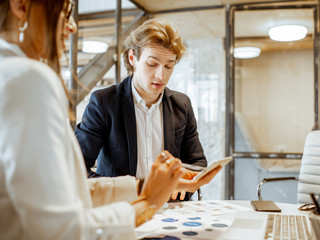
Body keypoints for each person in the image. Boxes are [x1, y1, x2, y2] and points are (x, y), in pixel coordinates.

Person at [0, 0, 187, 239]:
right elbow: (61, 230)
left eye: (169, 66)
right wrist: (147, 203)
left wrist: (142, 187)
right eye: (66, 13)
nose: (73, 27)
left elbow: (60, 190)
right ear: (22, 6)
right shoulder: (28, 78)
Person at [75, 18, 211, 200]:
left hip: (171, 211)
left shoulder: (182, 104)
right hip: (123, 209)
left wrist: (183, 181)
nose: (161, 75)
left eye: (169, 66)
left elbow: (198, 164)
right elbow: (76, 168)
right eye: (152, 64)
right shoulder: (104, 102)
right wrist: (126, 192)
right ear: (133, 58)